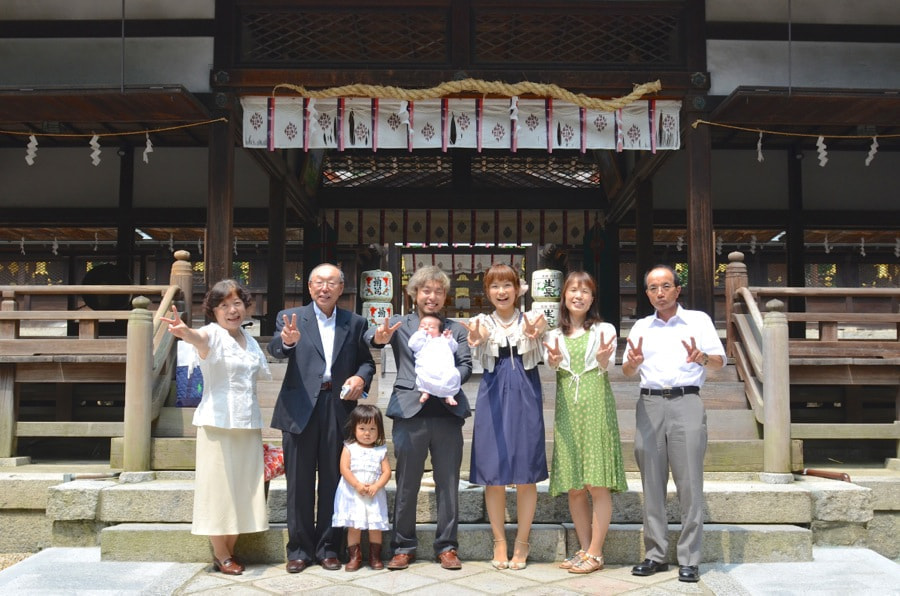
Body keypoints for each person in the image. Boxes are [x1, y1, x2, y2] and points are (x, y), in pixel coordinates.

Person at [268, 263, 376, 574]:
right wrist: (288, 341)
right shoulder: (290, 318)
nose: (324, 288)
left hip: (338, 405)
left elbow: (366, 362)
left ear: (342, 288)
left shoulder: (354, 322)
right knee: (299, 482)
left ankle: (330, 547)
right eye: (318, 282)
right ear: (310, 287)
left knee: (334, 479)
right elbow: (277, 348)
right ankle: (300, 549)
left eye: (331, 282)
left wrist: (360, 378)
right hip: (300, 404)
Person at [622, 265, 725, 583]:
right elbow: (627, 370)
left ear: (678, 289)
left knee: (690, 481)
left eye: (665, 286)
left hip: (686, 402)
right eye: (653, 288)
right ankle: (654, 554)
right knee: (651, 480)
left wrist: (701, 358)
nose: (659, 293)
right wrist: (633, 364)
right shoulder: (641, 326)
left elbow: (719, 363)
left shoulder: (698, 321)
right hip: (650, 403)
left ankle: (689, 558)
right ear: (647, 293)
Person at [161, 279, 271, 576]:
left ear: (246, 307)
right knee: (217, 488)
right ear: (213, 310)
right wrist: (185, 332)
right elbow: (198, 339)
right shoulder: (211, 334)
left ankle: (230, 549)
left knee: (244, 487)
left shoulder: (249, 341)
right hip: (217, 422)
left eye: (237, 303)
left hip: (247, 423)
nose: (232, 310)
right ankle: (221, 554)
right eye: (223, 305)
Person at [366, 265, 472, 571]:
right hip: (410, 411)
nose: (433, 296)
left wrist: (450, 380)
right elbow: (372, 338)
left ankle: (447, 546)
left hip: (448, 414)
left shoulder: (456, 329)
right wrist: (379, 336)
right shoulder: (401, 324)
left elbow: (465, 363)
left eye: (439, 291)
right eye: (427, 290)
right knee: (407, 483)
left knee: (448, 483)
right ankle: (403, 545)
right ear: (414, 293)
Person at [542, 271, 627, 575]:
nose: (578, 296)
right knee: (575, 486)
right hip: (567, 406)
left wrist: (604, 358)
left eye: (585, 291)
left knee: (596, 481)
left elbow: (607, 366)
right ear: (564, 296)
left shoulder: (605, 330)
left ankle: (596, 552)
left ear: (592, 298)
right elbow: (552, 364)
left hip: (595, 402)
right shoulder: (553, 335)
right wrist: (552, 361)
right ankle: (584, 548)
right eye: (573, 291)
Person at [465, 263, 547, 570]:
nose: (501, 292)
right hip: (493, 391)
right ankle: (499, 541)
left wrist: (533, 331)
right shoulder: (482, 321)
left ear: (518, 289)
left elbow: (540, 334)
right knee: (493, 469)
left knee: (526, 470)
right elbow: (479, 336)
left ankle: (522, 543)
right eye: (495, 286)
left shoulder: (533, 317)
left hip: (526, 391)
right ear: (487, 292)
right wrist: (474, 336)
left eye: (507, 285)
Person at [331, 404, 392, 571]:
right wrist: (357, 484)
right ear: (354, 428)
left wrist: (377, 485)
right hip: (353, 493)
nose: (367, 433)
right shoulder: (349, 447)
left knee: (375, 525)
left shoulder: (380, 451)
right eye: (362, 428)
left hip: (374, 494)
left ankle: (375, 556)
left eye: (372, 428)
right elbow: (344, 468)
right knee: (354, 525)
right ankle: (354, 557)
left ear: (379, 430)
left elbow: (387, 472)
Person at [409, 314, 461, 406]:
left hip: (444, 369)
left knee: (452, 376)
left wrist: (449, 339)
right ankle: (425, 392)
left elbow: (454, 348)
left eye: (431, 327)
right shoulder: (422, 342)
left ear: (439, 331)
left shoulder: (443, 340)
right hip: (427, 368)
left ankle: (449, 395)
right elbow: (413, 344)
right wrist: (420, 334)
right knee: (423, 377)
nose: (426, 328)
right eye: (422, 326)